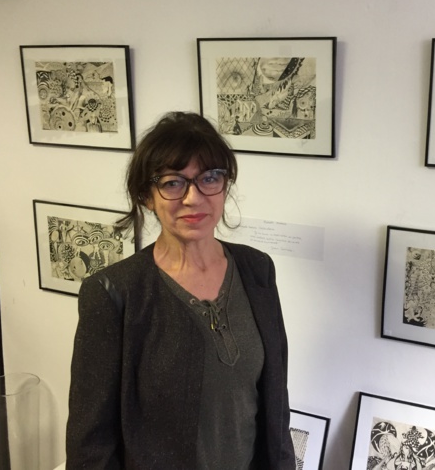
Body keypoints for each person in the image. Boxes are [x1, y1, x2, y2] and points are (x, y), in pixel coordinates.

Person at [65, 111, 295, 469]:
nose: (193, 197)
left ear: (225, 186)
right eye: (173, 183)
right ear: (146, 195)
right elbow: (90, 445)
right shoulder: (114, 293)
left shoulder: (257, 270)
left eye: (209, 178)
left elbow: (276, 404)